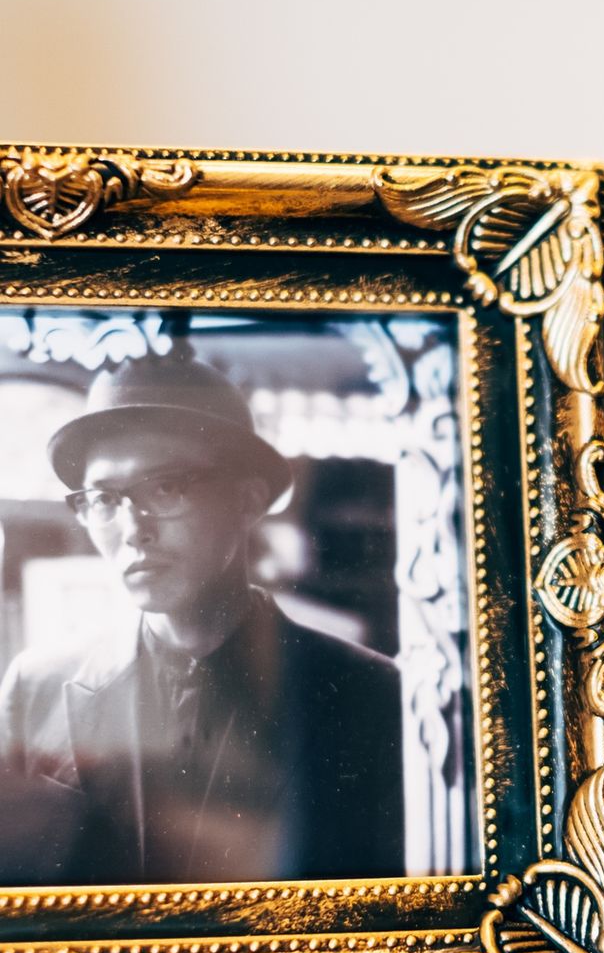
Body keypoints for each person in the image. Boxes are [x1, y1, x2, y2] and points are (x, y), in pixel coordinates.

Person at [0, 354, 404, 886]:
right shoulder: (37, 686)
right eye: (104, 499)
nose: (133, 530)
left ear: (247, 500)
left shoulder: (373, 692)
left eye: (166, 488)